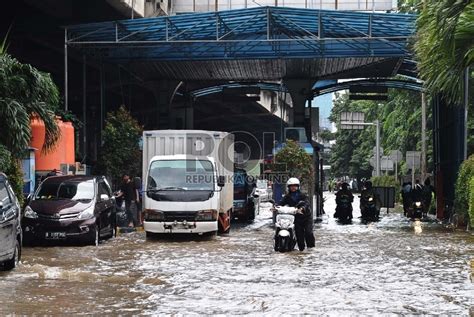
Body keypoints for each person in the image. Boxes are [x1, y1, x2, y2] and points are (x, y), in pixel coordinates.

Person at [279, 177, 315, 251]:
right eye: (291, 186)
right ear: (289, 187)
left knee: (308, 233)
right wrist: (275, 206)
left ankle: (311, 249)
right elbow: (281, 203)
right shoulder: (287, 197)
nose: (293, 188)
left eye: (295, 186)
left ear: (298, 187)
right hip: (296, 218)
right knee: (299, 236)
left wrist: (302, 208)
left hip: (306, 217)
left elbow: (306, 203)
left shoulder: (302, 195)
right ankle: (301, 250)